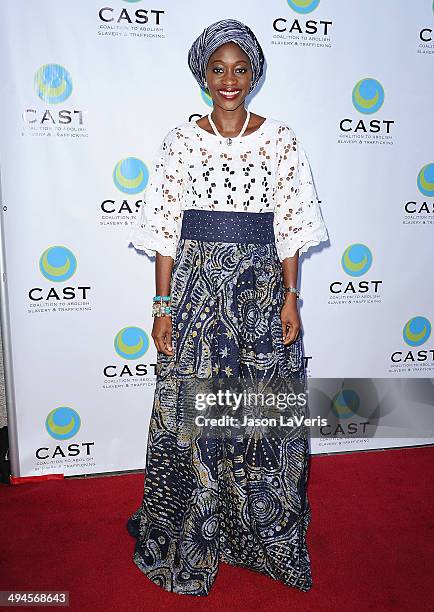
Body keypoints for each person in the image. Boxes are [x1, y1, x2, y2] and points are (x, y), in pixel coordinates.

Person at [126, 18, 328, 596]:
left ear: (255, 74)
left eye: (241, 69)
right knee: (192, 414)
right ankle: (192, 530)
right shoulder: (180, 140)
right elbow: (165, 232)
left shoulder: (281, 139)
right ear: (203, 76)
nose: (230, 80)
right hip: (195, 290)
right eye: (218, 69)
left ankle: (257, 531)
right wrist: (162, 307)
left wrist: (291, 298)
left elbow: (290, 227)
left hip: (260, 292)